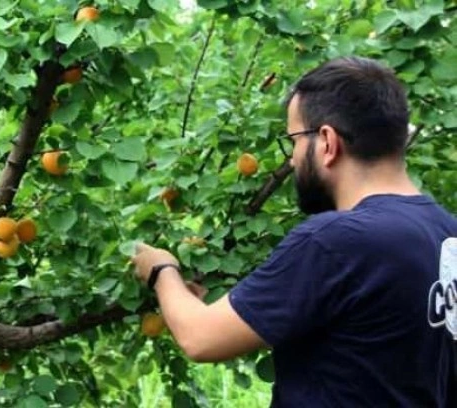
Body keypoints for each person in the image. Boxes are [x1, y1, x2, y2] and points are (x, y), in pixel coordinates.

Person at [131, 56, 457, 407]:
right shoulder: (446, 233)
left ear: (328, 142)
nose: (294, 158)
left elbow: (200, 337)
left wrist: (162, 271)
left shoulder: (336, 240)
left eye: (296, 141)